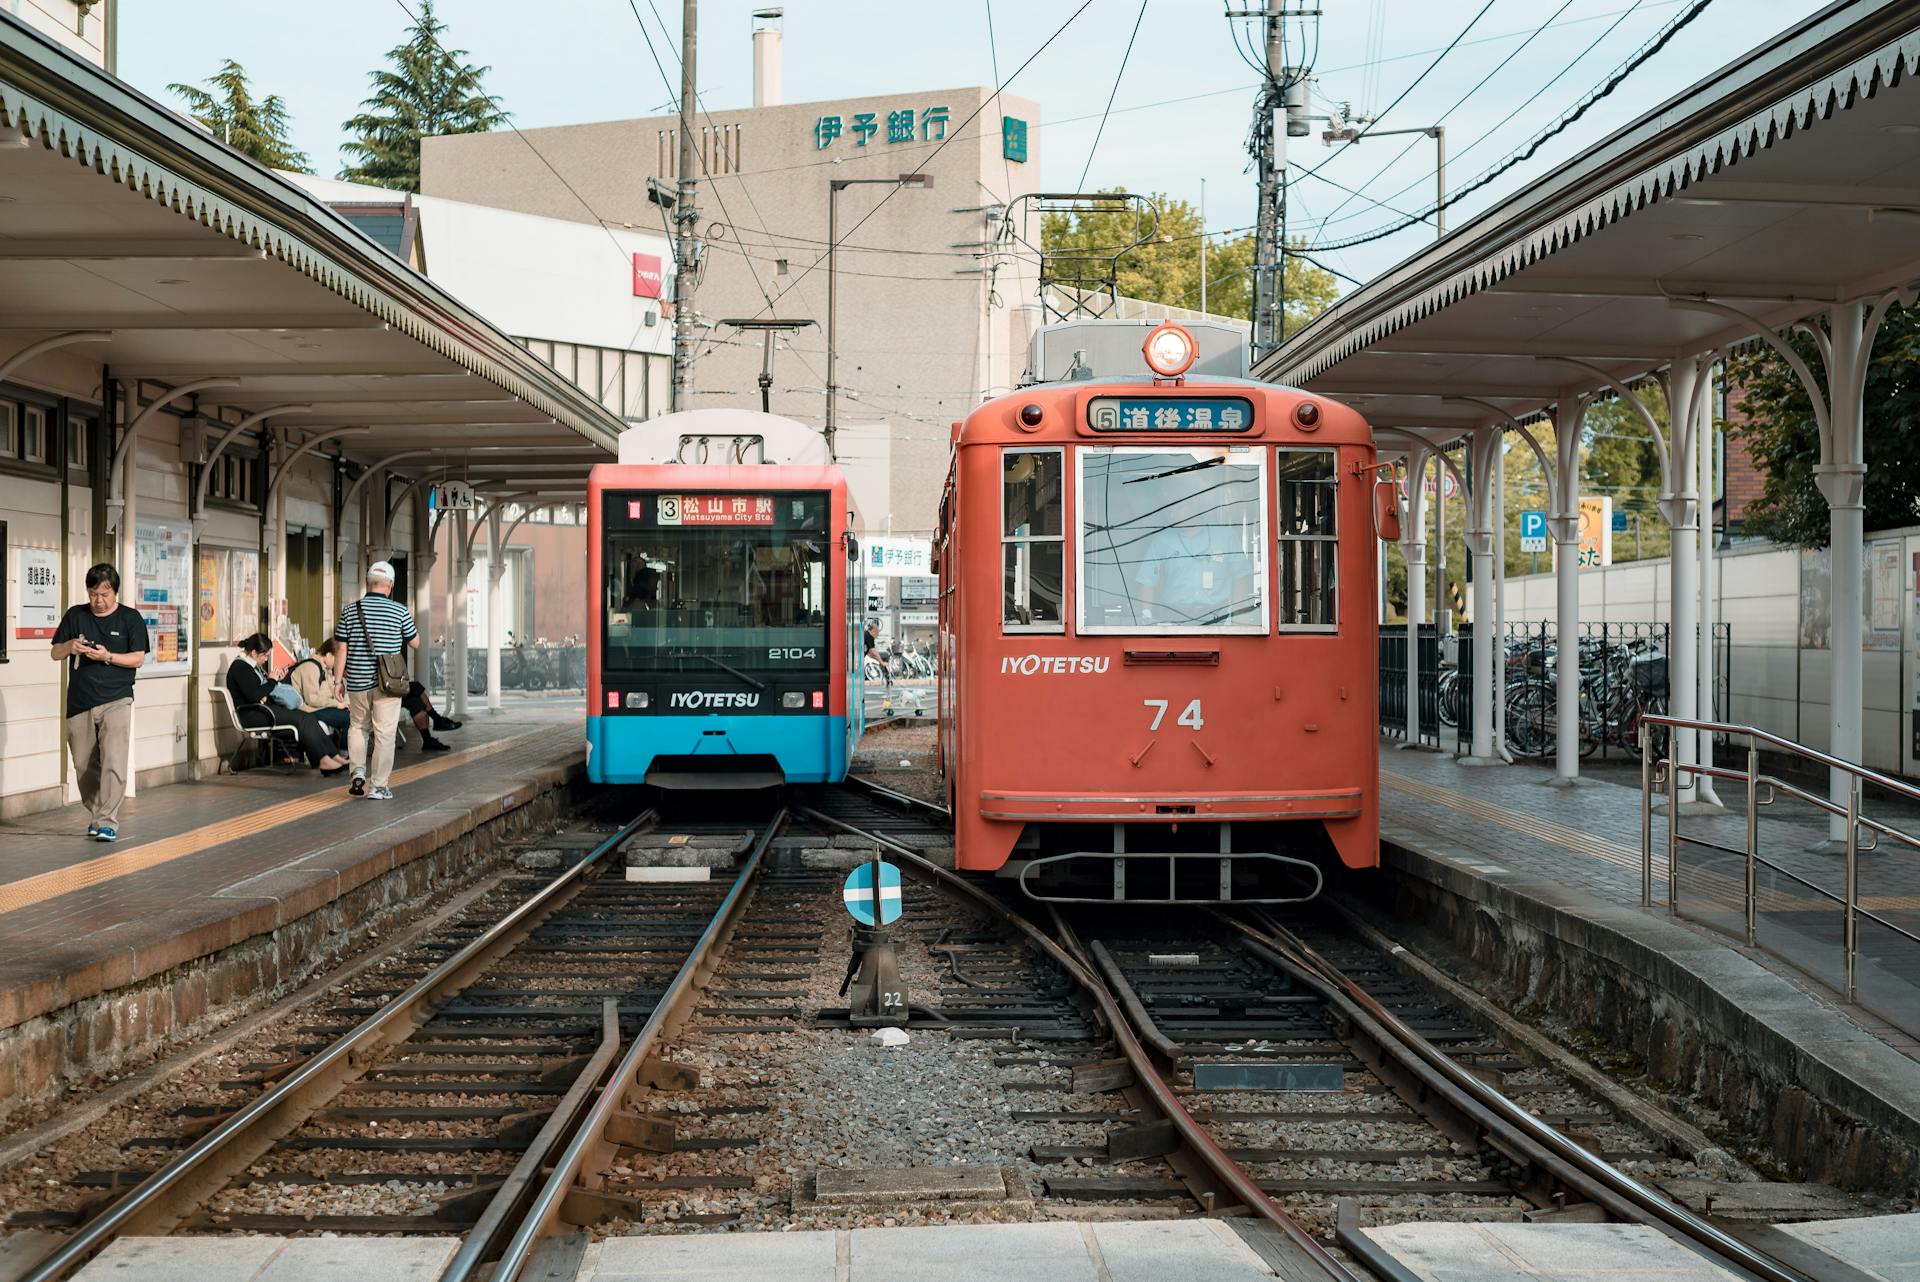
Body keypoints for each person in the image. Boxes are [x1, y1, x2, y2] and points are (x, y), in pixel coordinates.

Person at [50, 563, 148, 843]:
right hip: (80, 700)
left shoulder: (130, 619)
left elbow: (138, 658)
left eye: (104, 594)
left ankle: (107, 822)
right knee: (82, 764)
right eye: (93, 594)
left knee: (114, 761)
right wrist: (71, 647)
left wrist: (107, 656)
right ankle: (96, 813)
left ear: (115, 592)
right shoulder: (75, 615)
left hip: (117, 698)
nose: (98, 600)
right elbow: (56, 653)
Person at [333, 561, 419, 800]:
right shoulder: (399, 611)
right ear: (390, 585)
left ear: (367, 583)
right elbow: (415, 643)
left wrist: (337, 681)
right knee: (384, 734)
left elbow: (341, 648)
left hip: (358, 681)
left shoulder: (350, 610)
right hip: (388, 683)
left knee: (358, 727)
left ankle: (358, 770)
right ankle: (378, 787)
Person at [226, 634, 350, 774]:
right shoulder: (241, 668)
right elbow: (254, 695)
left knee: (308, 717)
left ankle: (332, 755)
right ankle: (323, 760)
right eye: (264, 656)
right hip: (253, 714)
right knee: (303, 719)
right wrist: (272, 681)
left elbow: (259, 689)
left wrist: (275, 679)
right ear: (254, 653)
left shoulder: (250, 666)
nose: (266, 659)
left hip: (262, 710)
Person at [288, 640, 350, 747]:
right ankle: (344, 753)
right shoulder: (310, 667)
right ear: (329, 655)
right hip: (310, 709)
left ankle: (342, 752)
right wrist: (337, 704)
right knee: (349, 719)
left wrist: (343, 702)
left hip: (320, 707)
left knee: (352, 715)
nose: (339, 664)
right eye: (338, 660)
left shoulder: (324, 669)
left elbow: (330, 692)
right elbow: (312, 699)